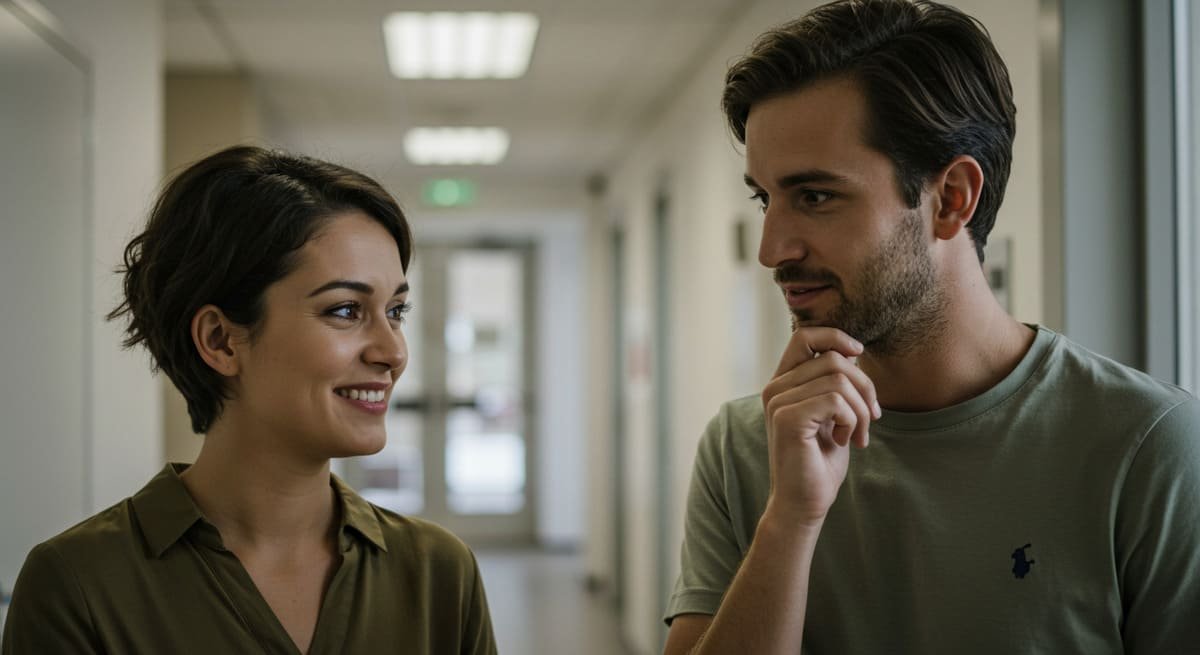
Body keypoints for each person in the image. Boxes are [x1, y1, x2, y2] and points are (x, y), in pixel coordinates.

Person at [663, 1, 1200, 653]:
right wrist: (790, 522)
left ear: (950, 198)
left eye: (814, 196)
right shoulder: (746, 447)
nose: (772, 248)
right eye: (764, 198)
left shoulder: (1147, 447)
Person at [0, 146, 497, 654]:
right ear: (220, 340)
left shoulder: (438, 573)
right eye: (346, 310)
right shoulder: (79, 586)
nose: (393, 351)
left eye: (395, 311)